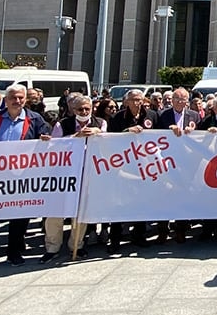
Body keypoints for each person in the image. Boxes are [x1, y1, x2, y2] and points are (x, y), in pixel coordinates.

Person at [0, 84, 52, 270]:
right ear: (5, 100)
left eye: (21, 97)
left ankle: (14, 252)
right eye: (13, 97)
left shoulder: (35, 119)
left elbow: (45, 138)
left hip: (22, 176)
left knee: (19, 217)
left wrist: (46, 140)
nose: (17, 101)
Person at [41, 93, 104, 263]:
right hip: (64, 173)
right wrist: (75, 137)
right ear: (73, 110)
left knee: (81, 211)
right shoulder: (62, 124)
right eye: (80, 109)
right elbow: (54, 146)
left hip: (87, 172)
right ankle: (52, 247)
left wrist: (98, 132)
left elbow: (107, 142)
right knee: (55, 212)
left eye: (87, 109)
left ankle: (77, 245)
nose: (84, 112)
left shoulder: (100, 123)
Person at [106, 88, 160, 252]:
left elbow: (161, 136)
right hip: (124, 165)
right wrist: (126, 132)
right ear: (126, 102)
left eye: (140, 99)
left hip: (145, 166)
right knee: (119, 204)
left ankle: (139, 235)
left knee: (141, 202)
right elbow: (109, 139)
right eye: (134, 100)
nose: (137, 103)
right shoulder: (118, 117)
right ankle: (115, 239)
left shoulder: (151, 115)